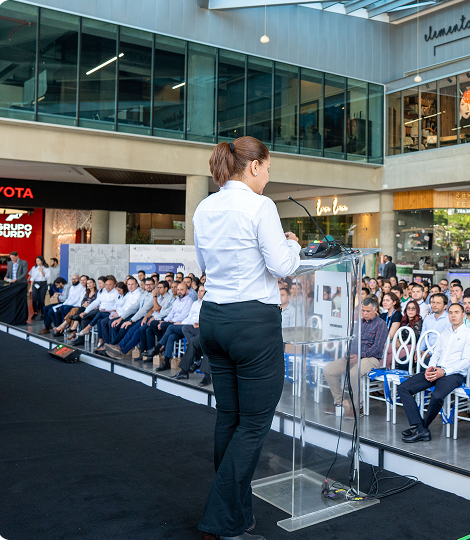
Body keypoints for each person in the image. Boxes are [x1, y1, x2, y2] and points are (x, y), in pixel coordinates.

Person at [193, 136, 301, 540]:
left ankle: (236, 517)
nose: (269, 177)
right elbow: (280, 266)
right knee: (253, 425)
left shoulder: (205, 206)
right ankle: (219, 521)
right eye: (269, 169)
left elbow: (204, 264)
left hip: (214, 319)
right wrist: (293, 246)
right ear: (254, 166)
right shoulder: (260, 206)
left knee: (231, 418)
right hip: (252, 323)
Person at [397, 303, 470, 443]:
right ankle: (420, 428)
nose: (453, 315)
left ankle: (422, 428)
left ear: (463, 315)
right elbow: (436, 353)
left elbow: (466, 361)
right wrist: (431, 366)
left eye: (457, 312)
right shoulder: (445, 332)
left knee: (436, 396)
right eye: (451, 312)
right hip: (436, 369)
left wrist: (445, 371)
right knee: (403, 388)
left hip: (454, 374)